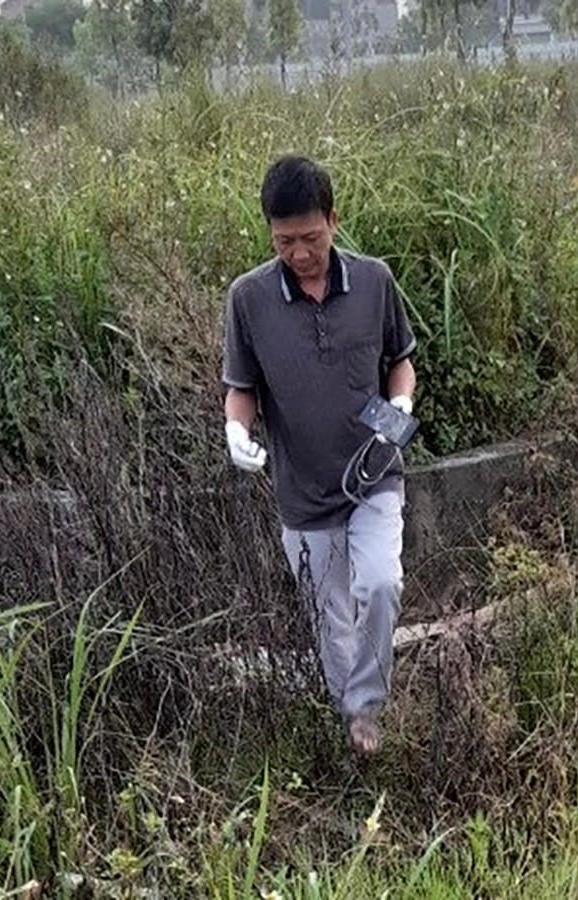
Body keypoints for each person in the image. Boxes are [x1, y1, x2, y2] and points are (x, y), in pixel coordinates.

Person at [221, 155, 417, 756]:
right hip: (302, 492)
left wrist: (400, 405)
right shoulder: (248, 299)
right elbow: (241, 388)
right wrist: (235, 430)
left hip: (373, 473)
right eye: (284, 242)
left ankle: (366, 708)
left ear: (333, 219)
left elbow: (401, 362)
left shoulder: (375, 281)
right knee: (329, 618)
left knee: (380, 585)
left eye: (310, 237)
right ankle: (350, 720)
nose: (300, 253)